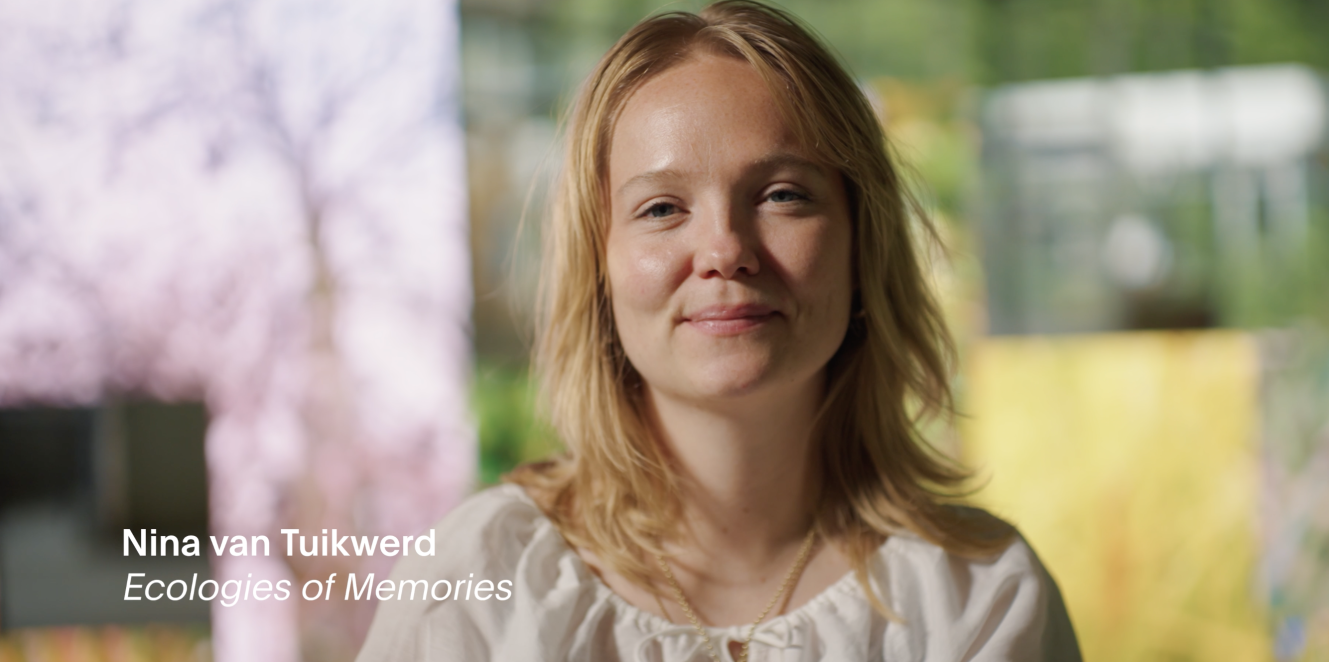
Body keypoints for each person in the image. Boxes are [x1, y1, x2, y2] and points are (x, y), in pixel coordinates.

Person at [357, 1, 1080, 660]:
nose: (725, 250)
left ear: (862, 245)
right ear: (598, 270)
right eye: (661, 209)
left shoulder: (981, 596)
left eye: (782, 195)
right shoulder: (474, 582)